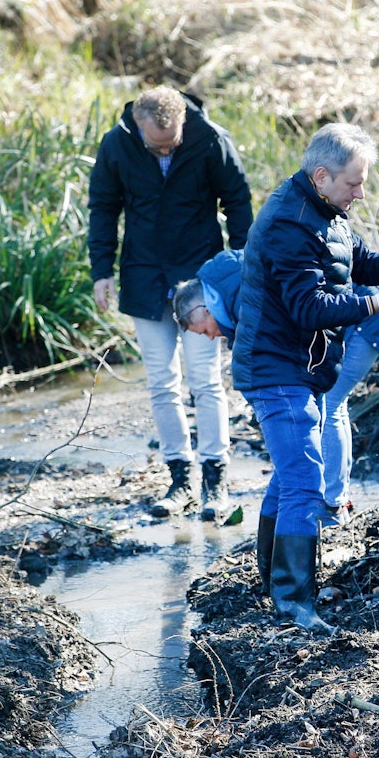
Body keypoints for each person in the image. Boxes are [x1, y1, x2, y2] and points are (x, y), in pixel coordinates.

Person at [231, 122, 379, 633]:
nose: (362, 192)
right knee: (306, 483)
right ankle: (294, 605)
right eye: (354, 182)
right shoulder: (289, 222)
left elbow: (358, 259)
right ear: (322, 175)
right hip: (275, 366)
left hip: (299, 365)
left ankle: (273, 583)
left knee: (289, 476)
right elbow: (308, 306)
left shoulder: (330, 211)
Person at [88, 86, 253, 521]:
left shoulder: (210, 139)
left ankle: (215, 480)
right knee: (161, 381)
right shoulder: (116, 143)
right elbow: (103, 208)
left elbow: (238, 201)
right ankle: (180, 479)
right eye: (156, 143)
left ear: (183, 121)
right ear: (137, 125)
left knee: (205, 380)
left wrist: (244, 266)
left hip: (202, 278)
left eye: (172, 140)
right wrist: (101, 270)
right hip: (144, 276)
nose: (166, 147)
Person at [173, 256, 379, 526]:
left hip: (366, 314)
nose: (211, 337)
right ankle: (330, 500)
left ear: (203, 309)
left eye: (203, 331)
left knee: (330, 402)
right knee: (326, 403)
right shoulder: (226, 282)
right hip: (352, 311)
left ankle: (333, 505)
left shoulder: (238, 294)